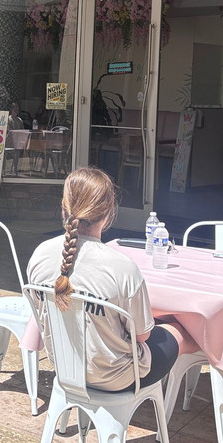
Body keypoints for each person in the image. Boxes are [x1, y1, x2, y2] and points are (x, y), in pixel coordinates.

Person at [27, 167, 180, 392]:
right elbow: (142, 335)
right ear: (108, 213)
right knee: (179, 332)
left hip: (65, 369)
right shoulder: (122, 268)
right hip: (116, 378)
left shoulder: (40, 254)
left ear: (63, 208)